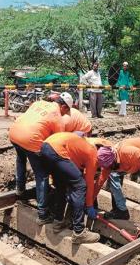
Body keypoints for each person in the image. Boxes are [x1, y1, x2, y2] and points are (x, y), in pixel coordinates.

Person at [9, 93, 73, 224]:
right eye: (66, 111)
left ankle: (20, 190)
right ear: (64, 107)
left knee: (21, 159)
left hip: (14, 133)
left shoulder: (39, 103)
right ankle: (43, 214)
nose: (65, 114)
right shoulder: (57, 117)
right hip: (31, 141)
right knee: (42, 175)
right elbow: (57, 143)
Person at [40, 132, 100, 244]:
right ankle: (79, 232)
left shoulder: (79, 145)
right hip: (56, 150)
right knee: (80, 185)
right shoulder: (93, 153)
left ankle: (58, 222)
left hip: (45, 147)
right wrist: (89, 205)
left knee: (61, 187)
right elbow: (89, 183)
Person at [94, 138, 140, 229]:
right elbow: (99, 182)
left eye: (111, 166)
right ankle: (121, 210)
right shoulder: (109, 163)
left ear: (114, 159)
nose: (110, 168)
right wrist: (90, 204)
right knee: (112, 174)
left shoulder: (126, 152)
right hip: (136, 163)